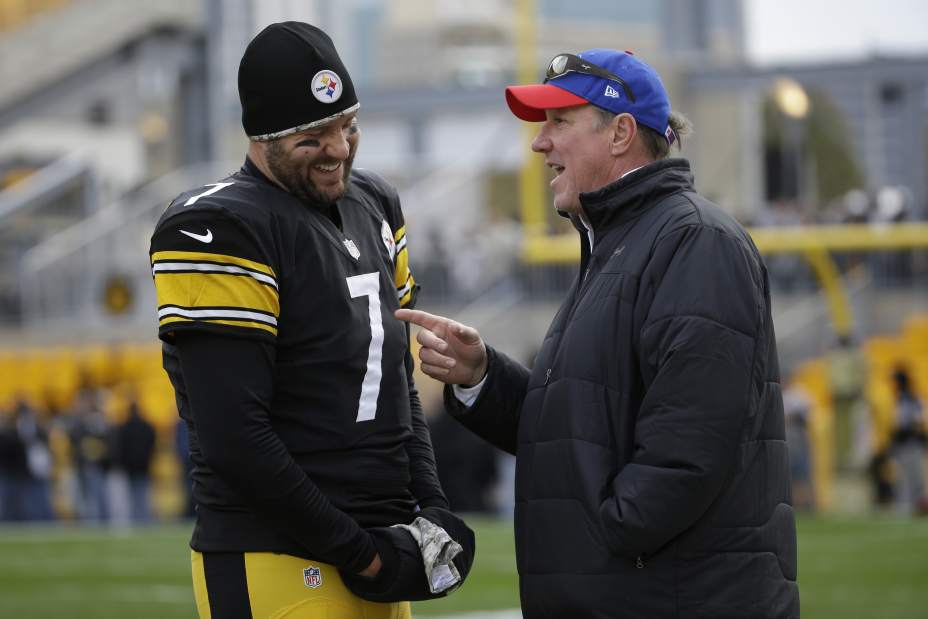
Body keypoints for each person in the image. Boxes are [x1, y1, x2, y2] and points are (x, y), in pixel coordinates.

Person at [398, 48, 799, 618]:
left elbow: (689, 448)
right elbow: (585, 433)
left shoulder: (695, 242)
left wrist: (604, 535)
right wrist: (484, 377)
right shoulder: (622, 244)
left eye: (559, 122)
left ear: (621, 133)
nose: (540, 143)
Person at [149, 22, 472, 619]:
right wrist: (361, 554)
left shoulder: (373, 203)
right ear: (261, 138)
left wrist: (429, 507)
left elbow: (395, 381)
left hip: (377, 541)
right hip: (275, 552)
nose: (340, 149)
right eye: (313, 137)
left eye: (348, 125)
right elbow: (235, 438)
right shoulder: (219, 227)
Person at [889, 366, 926, 514]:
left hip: (913, 442)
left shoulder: (913, 399)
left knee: (915, 476)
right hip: (903, 443)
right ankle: (906, 505)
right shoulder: (899, 399)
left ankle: (918, 504)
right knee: (903, 477)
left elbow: (918, 421)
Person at [112, 401, 157, 523]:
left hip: (130, 468)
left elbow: (120, 448)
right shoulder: (146, 426)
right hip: (143, 466)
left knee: (132, 496)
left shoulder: (124, 427)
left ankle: (135, 520)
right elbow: (152, 445)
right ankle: (144, 520)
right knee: (142, 495)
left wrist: (121, 463)